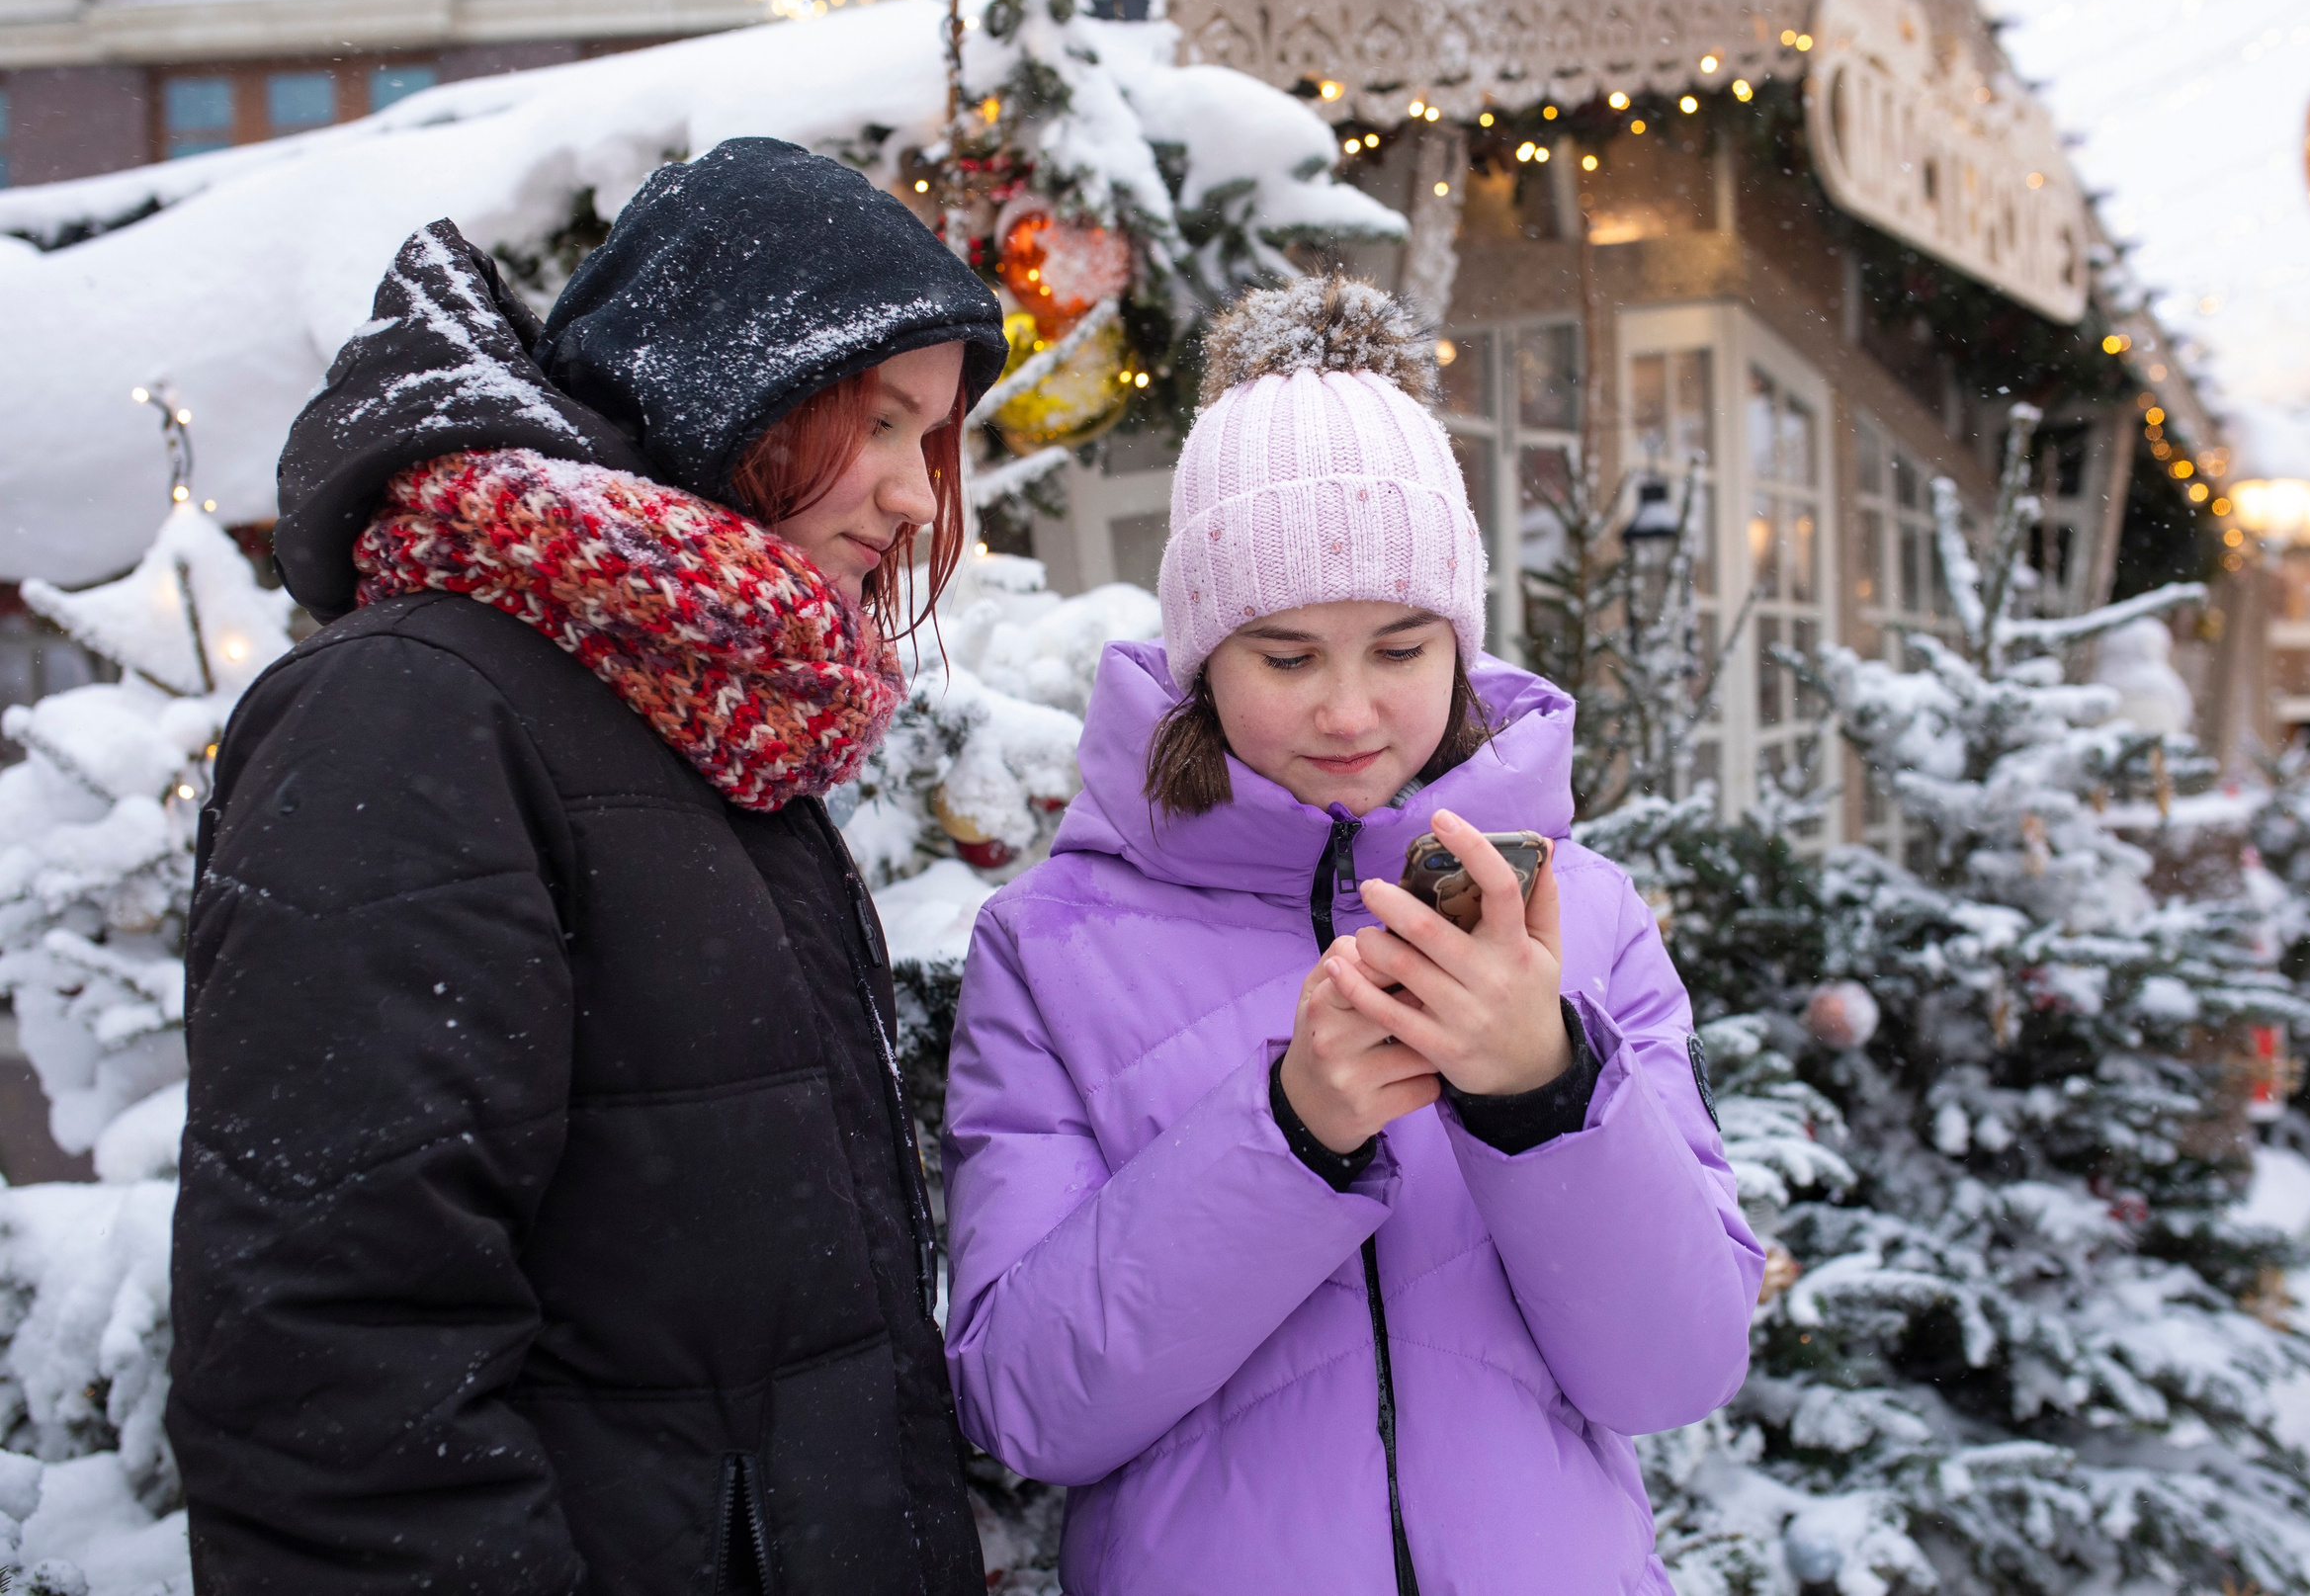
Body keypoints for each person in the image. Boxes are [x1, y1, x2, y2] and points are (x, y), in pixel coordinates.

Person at [169, 138, 1003, 1593]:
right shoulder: (414, 714)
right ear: (724, 380)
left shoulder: (712, 720)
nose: (918, 498)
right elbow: (336, 1371)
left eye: (928, 439)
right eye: (876, 421)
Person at [943, 277, 1762, 1594]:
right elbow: (1026, 1405)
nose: (1347, 709)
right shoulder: (1055, 947)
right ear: (1205, 653)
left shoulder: (1585, 919)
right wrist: (1285, 1133)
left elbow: (1675, 1366)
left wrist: (1543, 1091)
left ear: (1461, 637)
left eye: (1398, 644)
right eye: (1282, 654)